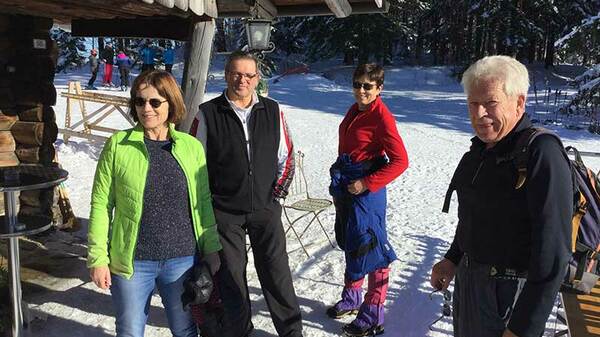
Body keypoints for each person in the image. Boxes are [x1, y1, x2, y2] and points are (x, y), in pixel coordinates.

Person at [430, 55, 572, 337]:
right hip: (470, 284)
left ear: (519, 102)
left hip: (509, 296)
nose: (479, 114)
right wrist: (453, 257)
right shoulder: (482, 150)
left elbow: (554, 254)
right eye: (473, 103)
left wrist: (523, 327)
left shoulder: (541, 153)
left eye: (490, 103)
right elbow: (474, 216)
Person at [87, 70, 222, 337]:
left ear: (171, 103)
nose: (146, 109)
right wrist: (97, 258)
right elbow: (101, 204)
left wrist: (212, 250)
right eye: (139, 102)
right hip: (132, 261)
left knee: (185, 329)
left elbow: (203, 202)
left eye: (154, 102)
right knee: (130, 331)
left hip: (182, 259)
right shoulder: (118, 145)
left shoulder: (191, 147)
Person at [189, 51, 301, 337]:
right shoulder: (208, 113)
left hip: (265, 207)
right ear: (226, 75)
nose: (243, 80)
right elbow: (194, 164)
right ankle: (239, 330)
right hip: (225, 211)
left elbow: (286, 156)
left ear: (257, 78)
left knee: (277, 274)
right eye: (237, 74)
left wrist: (276, 193)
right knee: (231, 276)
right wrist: (207, 203)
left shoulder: (273, 111)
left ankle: (291, 332)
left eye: (249, 75)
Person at [327, 63, 409, 337]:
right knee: (352, 241)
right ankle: (352, 297)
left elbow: (401, 161)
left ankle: (374, 312)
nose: (361, 90)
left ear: (379, 88)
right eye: (357, 84)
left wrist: (367, 183)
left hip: (367, 192)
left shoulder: (382, 116)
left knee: (373, 249)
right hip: (348, 184)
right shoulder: (356, 110)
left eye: (367, 86)